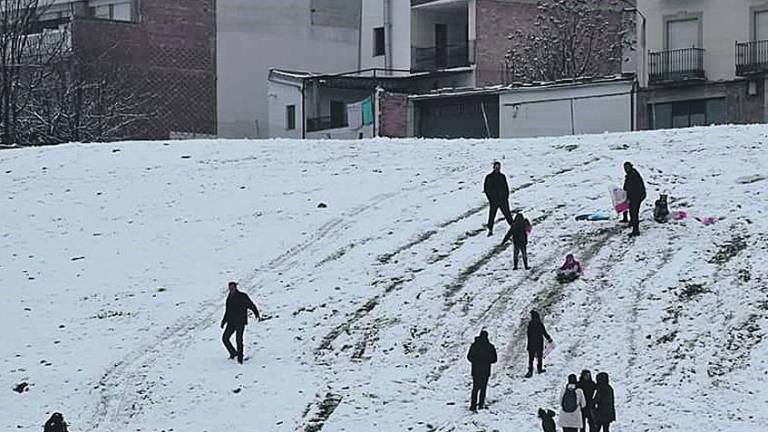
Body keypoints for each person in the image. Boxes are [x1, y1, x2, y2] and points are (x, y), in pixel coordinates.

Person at [221, 281, 260, 364]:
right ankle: (233, 353)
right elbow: (227, 311)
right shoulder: (229, 298)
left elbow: (251, 305)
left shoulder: (242, 296)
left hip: (240, 322)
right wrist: (223, 321)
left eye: (233, 287)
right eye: (230, 288)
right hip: (231, 322)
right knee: (225, 338)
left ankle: (240, 358)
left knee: (239, 340)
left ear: (236, 287)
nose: (231, 289)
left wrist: (256, 312)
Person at [466, 330, 497, 411]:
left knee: (475, 388)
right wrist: (486, 361)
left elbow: (469, 357)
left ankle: (472, 405)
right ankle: (480, 405)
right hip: (485, 371)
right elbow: (494, 359)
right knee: (483, 388)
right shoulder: (490, 347)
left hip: (475, 370)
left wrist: (475, 361)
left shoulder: (474, 345)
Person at [483, 161, 514, 236]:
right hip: (494, 201)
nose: (497, 169)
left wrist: (505, 197)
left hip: (503, 200)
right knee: (492, 216)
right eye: (496, 167)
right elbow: (486, 189)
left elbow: (506, 188)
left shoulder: (502, 176)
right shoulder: (489, 177)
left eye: (499, 167)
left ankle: (514, 228)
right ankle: (490, 230)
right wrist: (490, 198)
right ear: (493, 168)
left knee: (508, 215)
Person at [525, 310, 553, 378]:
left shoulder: (530, 325)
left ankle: (530, 371)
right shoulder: (539, 324)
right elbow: (544, 332)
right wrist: (549, 339)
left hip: (531, 344)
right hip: (538, 343)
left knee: (531, 359)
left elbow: (528, 335)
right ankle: (539, 369)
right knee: (539, 357)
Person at [622, 162, 646, 237]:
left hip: (637, 196)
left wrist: (629, 197)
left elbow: (632, 188)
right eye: (625, 168)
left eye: (627, 167)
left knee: (634, 212)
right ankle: (632, 222)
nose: (626, 169)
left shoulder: (633, 175)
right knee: (632, 210)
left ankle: (636, 230)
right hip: (636, 195)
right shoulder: (630, 174)